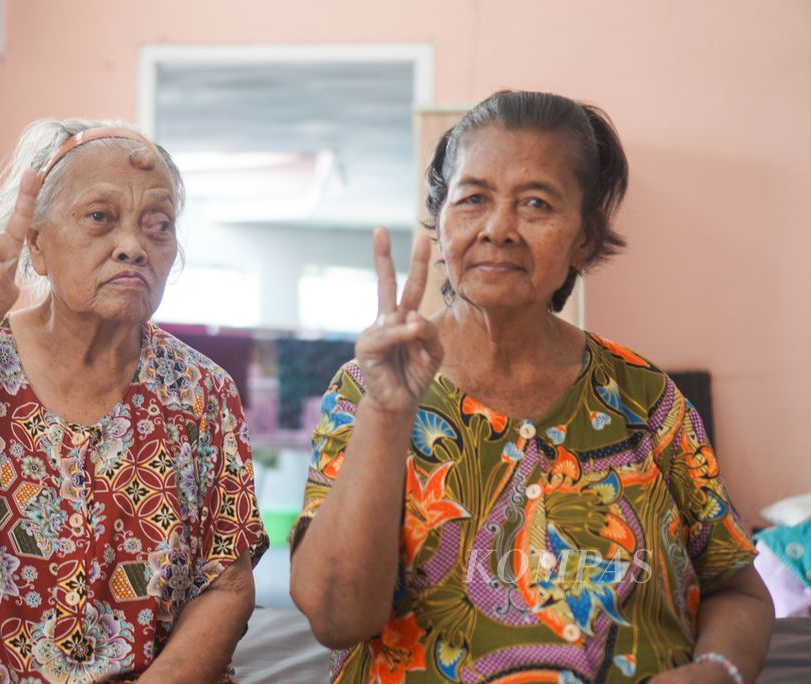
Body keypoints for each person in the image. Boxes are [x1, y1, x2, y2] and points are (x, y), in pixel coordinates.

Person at [289, 91, 773, 683]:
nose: (498, 229)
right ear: (440, 223)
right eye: (472, 199)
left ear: (585, 239)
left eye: (536, 204)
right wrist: (388, 414)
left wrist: (719, 670)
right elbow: (336, 620)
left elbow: (739, 591)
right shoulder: (367, 390)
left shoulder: (648, 399)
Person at [0, 119, 268, 682]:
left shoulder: (202, 393)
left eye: (158, 225)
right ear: (37, 244)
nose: (133, 246)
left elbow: (227, 586)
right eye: (100, 218)